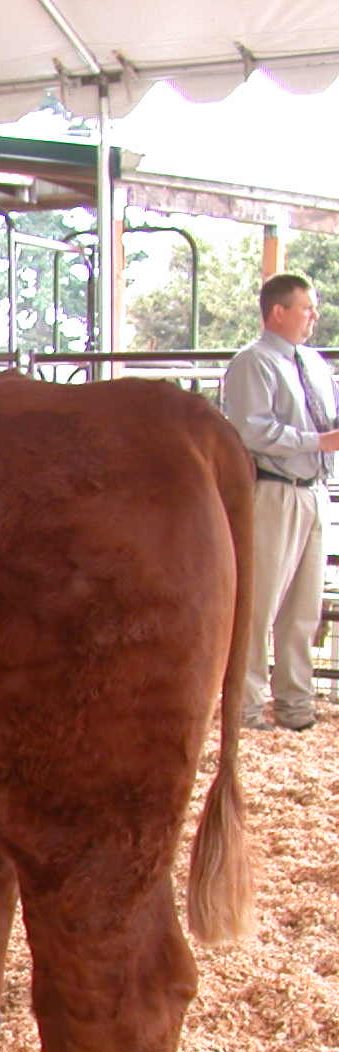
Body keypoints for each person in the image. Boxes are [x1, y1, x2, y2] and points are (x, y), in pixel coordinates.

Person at [221, 271, 339, 732]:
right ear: (278, 312)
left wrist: (324, 440)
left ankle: (296, 705)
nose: (314, 316)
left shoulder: (313, 363)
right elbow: (252, 429)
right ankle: (247, 709)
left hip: (313, 491)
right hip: (272, 490)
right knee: (259, 602)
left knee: (304, 608)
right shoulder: (253, 363)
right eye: (307, 307)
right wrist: (320, 441)